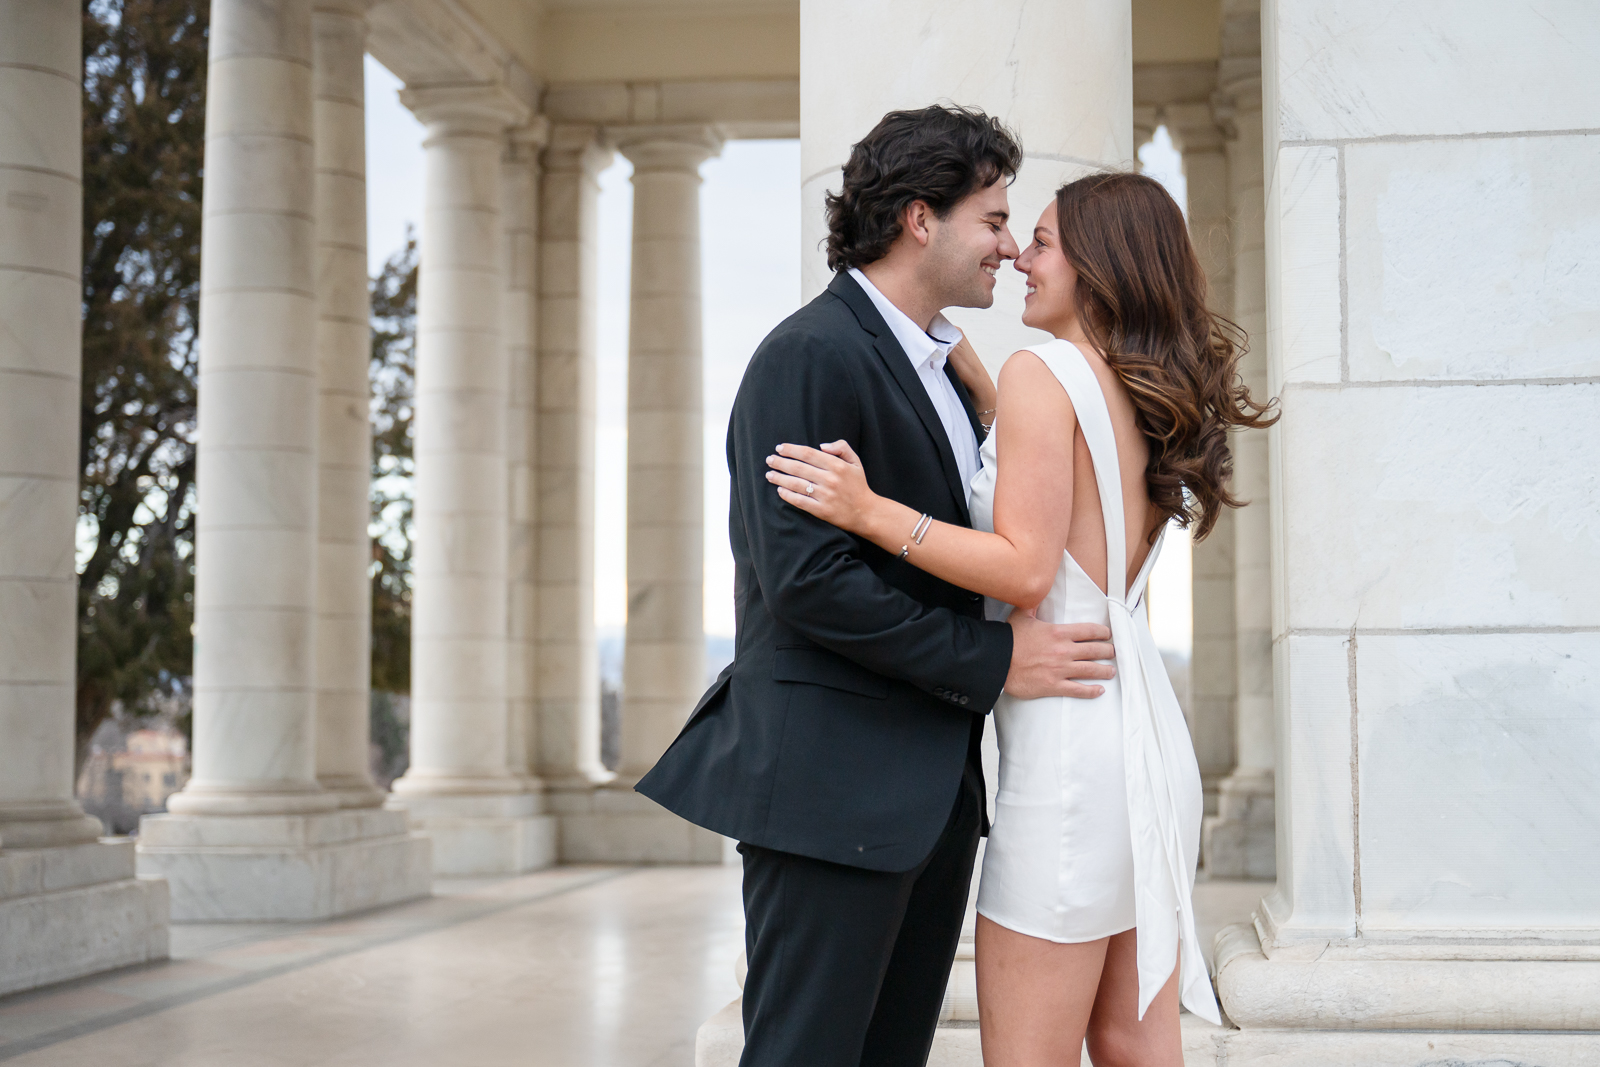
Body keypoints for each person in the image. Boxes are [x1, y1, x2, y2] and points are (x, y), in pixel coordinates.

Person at [635, 106, 1122, 1067]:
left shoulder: (947, 369)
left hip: (929, 797)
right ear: (917, 219)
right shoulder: (810, 354)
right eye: (991, 218)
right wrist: (998, 658)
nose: (1009, 246)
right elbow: (809, 583)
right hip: (830, 790)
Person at [763, 171, 1277, 1066]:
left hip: (1067, 767)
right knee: (1131, 1043)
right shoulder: (1135, 389)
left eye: (1040, 241)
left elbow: (1030, 564)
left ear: (1099, 263)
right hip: (1139, 745)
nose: (1021, 258)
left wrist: (869, 509)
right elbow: (1077, 514)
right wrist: (992, 398)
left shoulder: (1043, 373)